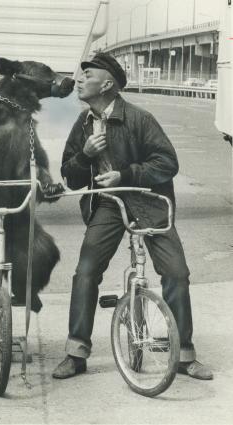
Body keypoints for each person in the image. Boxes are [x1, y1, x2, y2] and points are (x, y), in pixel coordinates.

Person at [52, 52, 213, 381]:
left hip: (148, 202)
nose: (79, 80)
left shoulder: (140, 119)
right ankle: (76, 352)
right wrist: (85, 156)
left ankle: (183, 355)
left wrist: (125, 175)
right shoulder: (83, 124)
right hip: (108, 204)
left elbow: (168, 162)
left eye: (88, 75)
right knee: (85, 272)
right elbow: (70, 176)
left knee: (176, 273)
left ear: (107, 84)